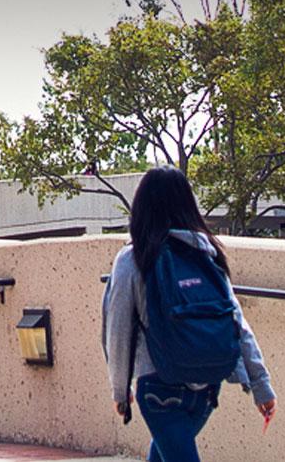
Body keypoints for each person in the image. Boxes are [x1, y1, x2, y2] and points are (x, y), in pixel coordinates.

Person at [103, 166, 276, 462]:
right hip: (207, 386)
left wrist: (120, 391)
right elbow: (237, 322)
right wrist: (260, 384)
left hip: (158, 388)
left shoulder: (134, 258)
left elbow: (117, 330)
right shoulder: (206, 253)